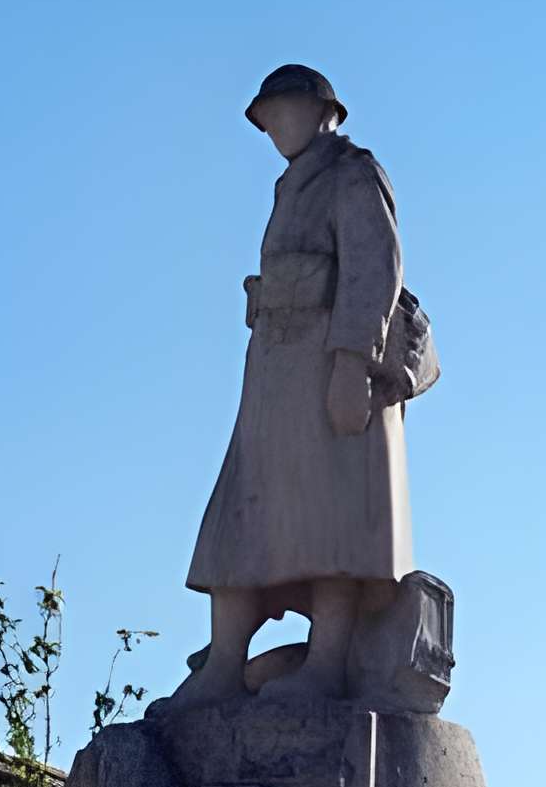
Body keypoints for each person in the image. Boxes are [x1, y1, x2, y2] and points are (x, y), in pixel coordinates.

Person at [155, 65, 430, 712]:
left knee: (331, 523)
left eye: (280, 111)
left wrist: (352, 364)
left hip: (327, 367)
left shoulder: (352, 172)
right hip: (276, 374)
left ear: (320, 111)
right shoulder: (293, 184)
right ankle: (223, 665)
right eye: (266, 117)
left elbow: (373, 272)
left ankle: (328, 664)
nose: (273, 126)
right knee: (241, 519)